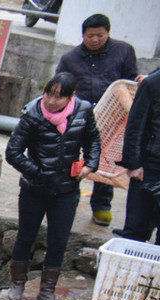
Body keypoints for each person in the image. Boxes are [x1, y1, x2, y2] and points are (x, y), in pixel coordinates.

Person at [4, 72, 101, 300]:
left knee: (58, 241)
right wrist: (36, 172)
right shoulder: (33, 114)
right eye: (49, 93)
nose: (52, 101)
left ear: (71, 97)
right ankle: (17, 285)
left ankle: (46, 292)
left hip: (66, 190)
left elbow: (93, 140)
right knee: (26, 236)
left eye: (60, 96)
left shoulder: (83, 112)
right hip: (34, 189)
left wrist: (90, 164)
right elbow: (13, 152)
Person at [56, 13, 145, 227]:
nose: (95, 40)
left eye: (100, 35)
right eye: (90, 36)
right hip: (81, 116)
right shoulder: (70, 58)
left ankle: (101, 206)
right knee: (74, 159)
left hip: (112, 116)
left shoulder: (124, 51)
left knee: (105, 160)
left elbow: (130, 79)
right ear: (83, 35)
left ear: (108, 33)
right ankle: (66, 200)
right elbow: (60, 84)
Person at [119, 68, 160, 244]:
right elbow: (135, 125)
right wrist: (133, 163)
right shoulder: (152, 84)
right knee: (135, 229)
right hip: (148, 166)